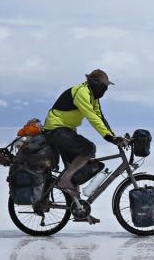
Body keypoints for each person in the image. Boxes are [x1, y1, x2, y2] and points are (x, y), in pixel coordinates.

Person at [42, 69, 125, 206]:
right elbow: (92, 117)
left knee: (75, 170)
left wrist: (114, 137)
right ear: (96, 83)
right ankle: (64, 180)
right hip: (56, 129)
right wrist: (109, 138)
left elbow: (99, 116)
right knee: (88, 148)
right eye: (104, 86)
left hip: (66, 131)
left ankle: (79, 208)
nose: (105, 89)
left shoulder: (93, 96)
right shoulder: (82, 92)